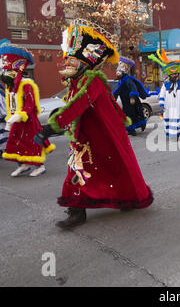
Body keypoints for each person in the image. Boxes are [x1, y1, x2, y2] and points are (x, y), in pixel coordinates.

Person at [34, 19, 153, 228]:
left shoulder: (93, 81)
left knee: (117, 169)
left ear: (85, 62)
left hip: (103, 137)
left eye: (73, 61)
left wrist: (52, 126)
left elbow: (77, 106)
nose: (68, 64)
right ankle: (77, 210)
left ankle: (127, 198)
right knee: (76, 172)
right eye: (67, 60)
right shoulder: (76, 82)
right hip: (83, 138)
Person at [0, 39, 55, 177]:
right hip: (16, 122)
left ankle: (39, 166)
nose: (4, 74)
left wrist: (20, 115)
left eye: (8, 72)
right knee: (16, 143)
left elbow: (30, 105)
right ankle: (23, 165)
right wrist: (11, 118)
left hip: (29, 122)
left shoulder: (26, 84)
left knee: (31, 143)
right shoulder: (10, 86)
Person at [148, 49, 180, 139]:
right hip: (168, 106)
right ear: (169, 74)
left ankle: (177, 133)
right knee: (169, 118)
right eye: (172, 75)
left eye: (175, 74)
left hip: (179, 105)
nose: (173, 76)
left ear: (177, 73)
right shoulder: (166, 83)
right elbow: (162, 94)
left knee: (178, 118)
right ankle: (169, 133)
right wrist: (161, 104)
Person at [113, 56, 147, 136]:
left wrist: (132, 97)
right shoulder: (121, 80)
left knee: (134, 114)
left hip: (131, 102)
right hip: (125, 102)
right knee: (128, 114)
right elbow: (118, 90)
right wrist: (114, 97)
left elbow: (133, 88)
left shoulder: (127, 79)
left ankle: (134, 129)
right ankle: (131, 128)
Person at [0, 82, 8, 155]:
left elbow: (2, 109)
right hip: (3, 117)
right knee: (3, 134)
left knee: (2, 135)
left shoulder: (0, 94)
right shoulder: (2, 93)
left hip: (2, 117)